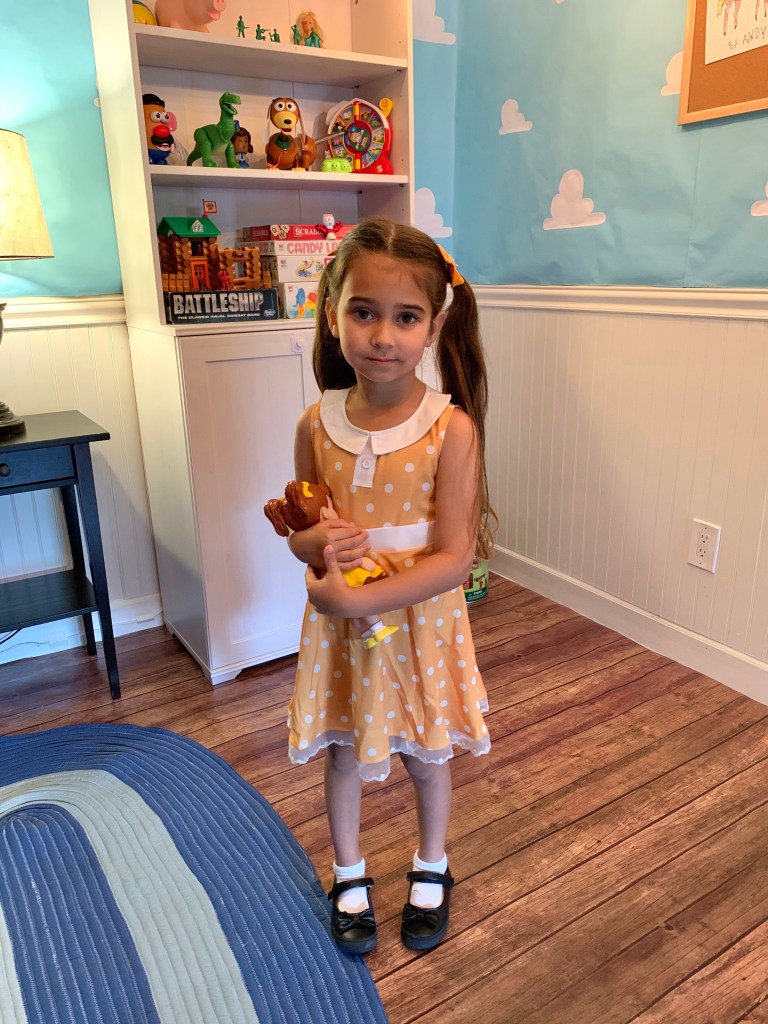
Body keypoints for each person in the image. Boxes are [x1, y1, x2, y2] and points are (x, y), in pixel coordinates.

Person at [284, 218, 494, 955]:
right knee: (345, 751)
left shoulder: (452, 429)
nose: (382, 335)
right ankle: (348, 871)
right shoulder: (317, 423)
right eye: (363, 312)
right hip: (344, 628)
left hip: (418, 621)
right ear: (332, 312)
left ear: (434, 324)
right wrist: (311, 547)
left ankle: (431, 863)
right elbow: (305, 524)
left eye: (405, 318)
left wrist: (358, 598)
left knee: (424, 752)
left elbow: (455, 556)